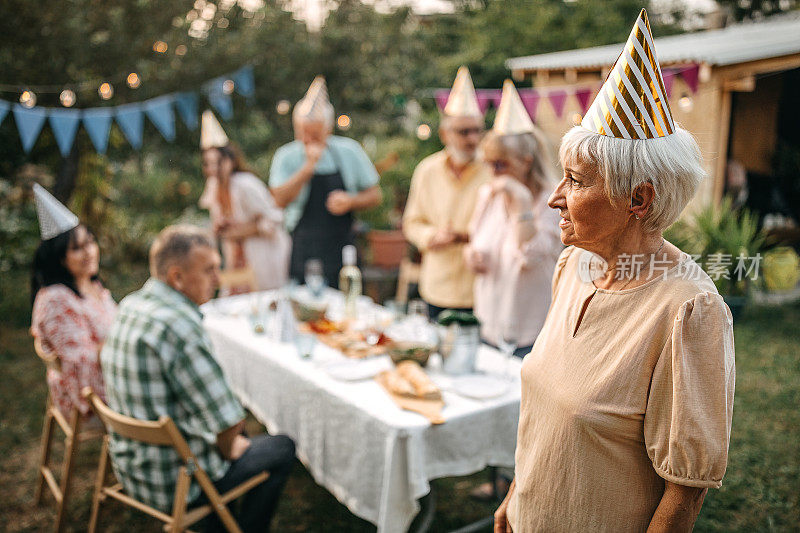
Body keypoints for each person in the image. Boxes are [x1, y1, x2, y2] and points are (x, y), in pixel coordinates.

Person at [495, 10, 735, 532]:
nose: (556, 198)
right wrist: (516, 499)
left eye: (576, 181)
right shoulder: (573, 265)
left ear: (638, 198)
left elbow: (684, 495)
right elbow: (548, 421)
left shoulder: (687, 309)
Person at [101, 225, 295, 532]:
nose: (218, 281)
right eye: (210, 271)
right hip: (176, 483)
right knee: (283, 447)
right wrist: (231, 447)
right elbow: (228, 420)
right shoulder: (179, 326)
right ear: (177, 277)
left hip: (132, 469)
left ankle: (217, 520)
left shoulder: (130, 304)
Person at [465, 80, 562, 358]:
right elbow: (475, 241)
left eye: (500, 164)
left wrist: (520, 202)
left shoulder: (552, 201)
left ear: (526, 161)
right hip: (487, 323)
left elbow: (530, 256)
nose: (493, 171)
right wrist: (471, 256)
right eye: (489, 163)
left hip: (530, 331)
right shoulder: (488, 195)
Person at [269, 76, 381, 286]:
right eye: (303, 133)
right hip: (303, 245)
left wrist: (351, 201)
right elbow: (279, 200)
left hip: (342, 247)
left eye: (315, 134)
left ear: (328, 129)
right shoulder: (286, 156)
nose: (308, 140)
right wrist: (307, 168)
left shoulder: (349, 151)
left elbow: (375, 195)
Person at [403, 67, 491, 320]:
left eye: (477, 130)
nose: (472, 139)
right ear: (445, 134)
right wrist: (432, 236)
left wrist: (466, 236)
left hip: (481, 286)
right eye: (464, 132)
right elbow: (412, 222)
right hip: (437, 286)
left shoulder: (494, 169)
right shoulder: (427, 170)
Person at [30, 183, 116, 418]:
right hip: (88, 396)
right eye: (77, 248)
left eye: (90, 242)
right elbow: (81, 363)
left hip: (110, 372)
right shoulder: (55, 300)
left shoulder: (90, 283)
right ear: (59, 258)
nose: (89, 252)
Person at [198, 111, 290, 292]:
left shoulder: (245, 184)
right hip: (235, 259)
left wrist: (242, 231)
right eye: (208, 163)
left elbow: (274, 219)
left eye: (218, 162)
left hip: (261, 255)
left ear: (230, 160)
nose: (214, 169)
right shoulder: (213, 187)